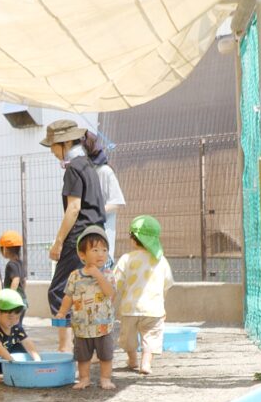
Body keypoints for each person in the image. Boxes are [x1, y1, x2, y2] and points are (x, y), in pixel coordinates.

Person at [41, 119, 106, 353]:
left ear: (65, 143)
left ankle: (65, 348)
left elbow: (74, 208)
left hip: (79, 238)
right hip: (98, 237)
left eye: (52, 145)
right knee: (87, 292)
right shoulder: (88, 165)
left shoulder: (73, 168)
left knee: (60, 291)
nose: (51, 151)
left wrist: (58, 242)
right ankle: (94, 350)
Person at [55, 225, 116, 390]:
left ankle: (105, 378)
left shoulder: (108, 274)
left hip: (103, 326)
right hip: (82, 326)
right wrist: (62, 312)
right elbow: (68, 296)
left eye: (104, 250)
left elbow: (110, 293)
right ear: (82, 254)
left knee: (105, 355)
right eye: (95, 250)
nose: (101, 254)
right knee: (83, 356)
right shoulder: (75, 276)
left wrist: (98, 275)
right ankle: (84, 378)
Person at [114, 215, 174, 376]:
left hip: (130, 308)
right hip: (153, 309)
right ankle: (146, 363)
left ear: (133, 239)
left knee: (128, 338)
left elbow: (116, 282)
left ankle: (132, 359)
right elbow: (167, 284)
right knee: (151, 336)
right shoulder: (160, 260)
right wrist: (162, 303)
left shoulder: (126, 259)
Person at [82, 131, 126, 263]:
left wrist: (91, 213)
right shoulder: (81, 172)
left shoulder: (105, 171)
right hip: (85, 242)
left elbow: (116, 204)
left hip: (102, 242)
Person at [0, 289, 40, 378]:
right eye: (10, 318)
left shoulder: (16, 326)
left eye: (17, 318)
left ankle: (15, 368)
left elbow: (27, 342)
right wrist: (14, 365)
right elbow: (0, 349)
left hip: (6, 360)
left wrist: (37, 360)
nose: (14, 321)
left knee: (19, 346)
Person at [0, 230, 27, 323]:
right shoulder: (20, 263)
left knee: (12, 326)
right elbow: (24, 281)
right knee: (17, 325)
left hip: (14, 302)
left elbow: (16, 280)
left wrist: (10, 297)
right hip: (22, 299)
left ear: (5, 249)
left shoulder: (11, 264)